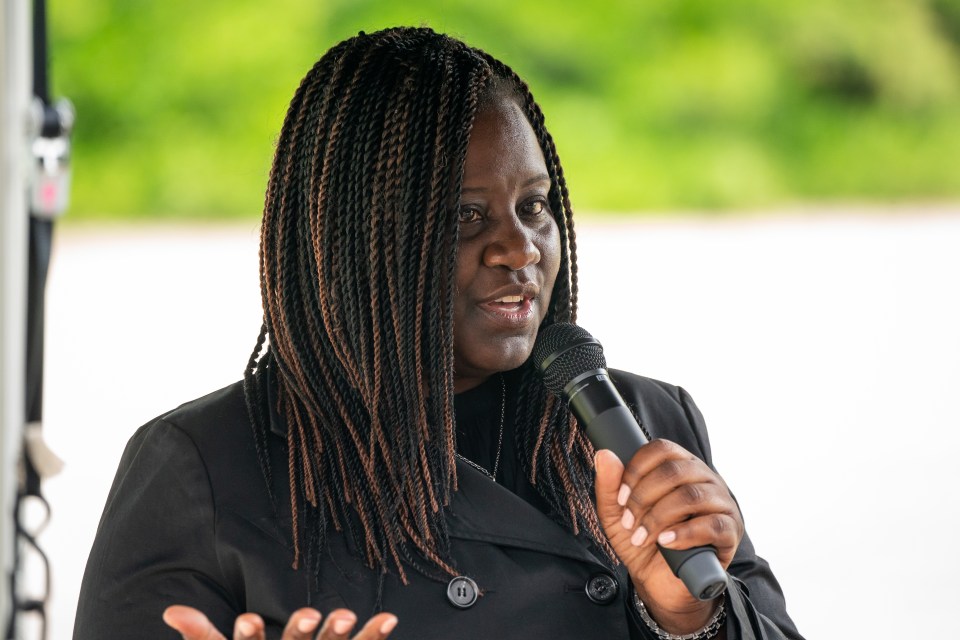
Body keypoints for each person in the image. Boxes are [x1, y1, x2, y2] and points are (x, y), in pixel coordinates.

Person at [73, 27, 804, 640]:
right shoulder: (205, 467)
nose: (520, 250)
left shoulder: (648, 426)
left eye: (535, 207)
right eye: (465, 217)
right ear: (356, 238)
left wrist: (688, 619)